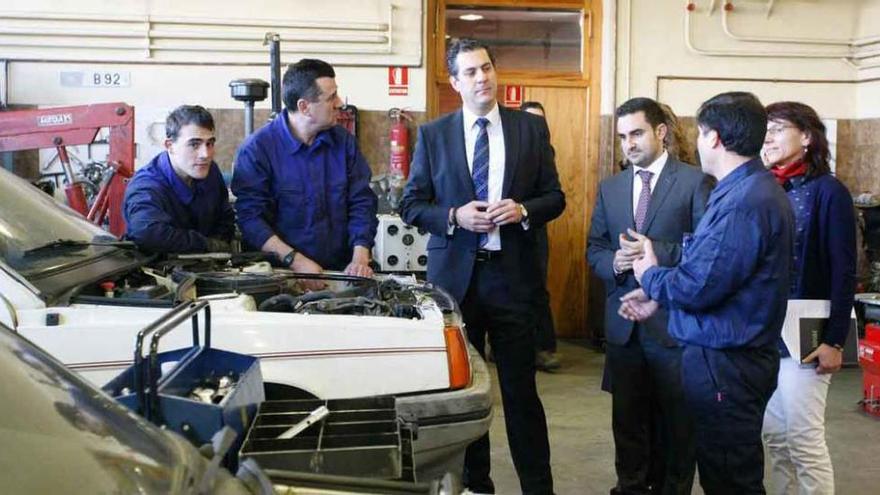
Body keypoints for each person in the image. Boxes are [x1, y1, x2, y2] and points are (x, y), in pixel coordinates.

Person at [400, 38, 564, 495]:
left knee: (521, 396)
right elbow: (410, 204)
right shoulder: (434, 135)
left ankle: (538, 487)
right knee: (465, 397)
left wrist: (524, 211)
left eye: (487, 68)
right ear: (455, 82)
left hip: (513, 280)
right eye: (470, 72)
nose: (482, 77)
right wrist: (454, 217)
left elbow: (556, 197)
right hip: (456, 284)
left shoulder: (529, 131)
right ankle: (477, 486)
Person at [620, 91, 795, 494]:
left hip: (728, 364)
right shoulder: (741, 190)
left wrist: (649, 275)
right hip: (728, 359)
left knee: (730, 478)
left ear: (713, 137)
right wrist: (659, 297)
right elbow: (714, 268)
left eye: (700, 133)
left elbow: (699, 286)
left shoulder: (745, 201)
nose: (698, 143)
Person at [588, 97, 711, 495]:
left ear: (660, 132)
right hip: (624, 327)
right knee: (627, 424)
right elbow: (595, 249)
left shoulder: (695, 182)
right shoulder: (611, 187)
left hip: (673, 326)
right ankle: (630, 488)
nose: (629, 144)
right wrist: (619, 262)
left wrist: (655, 249)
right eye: (623, 136)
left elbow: (707, 251)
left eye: (637, 133)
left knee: (677, 426)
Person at [760, 102, 856, 495]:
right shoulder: (763, 187)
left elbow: (843, 269)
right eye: (765, 129)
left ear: (807, 137)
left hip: (807, 327)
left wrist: (835, 340)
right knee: (775, 439)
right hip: (763, 329)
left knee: (802, 437)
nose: (768, 136)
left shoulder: (828, 191)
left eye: (778, 129)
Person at [232, 58, 378, 279]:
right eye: (331, 98)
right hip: (281, 275)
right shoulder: (257, 150)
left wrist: (359, 258)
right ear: (304, 107)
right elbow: (251, 221)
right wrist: (295, 262)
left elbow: (362, 202)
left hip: (340, 273)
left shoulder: (344, 143)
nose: (339, 102)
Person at [123, 105, 235, 254]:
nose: (205, 154)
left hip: (210, 268)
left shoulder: (210, 171)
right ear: (170, 146)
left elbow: (225, 218)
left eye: (209, 143)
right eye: (194, 144)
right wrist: (208, 246)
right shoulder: (146, 186)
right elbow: (147, 234)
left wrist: (218, 246)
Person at [520, 100, 561, 372]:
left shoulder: (547, 152)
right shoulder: (511, 150)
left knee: (537, 289)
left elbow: (552, 197)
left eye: (540, 121)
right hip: (508, 231)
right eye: (531, 121)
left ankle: (544, 348)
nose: (537, 127)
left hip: (535, 229)